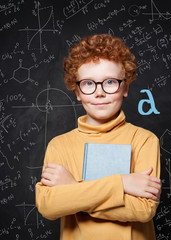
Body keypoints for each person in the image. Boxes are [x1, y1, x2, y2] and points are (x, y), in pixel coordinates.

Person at [35, 34, 161, 240]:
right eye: (88, 83)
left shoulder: (144, 140)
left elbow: (143, 210)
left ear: (125, 87)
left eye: (110, 82)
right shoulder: (59, 145)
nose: (99, 93)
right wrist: (121, 184)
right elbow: (49, 206)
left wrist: (74, 190)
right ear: (77, 91)